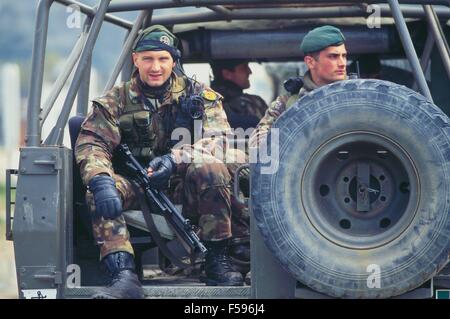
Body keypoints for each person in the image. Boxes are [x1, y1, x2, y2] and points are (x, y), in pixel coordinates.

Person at [75, 25, 249, 298]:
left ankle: (217, 261)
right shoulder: (115, 101)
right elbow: (92, 143)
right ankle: (122, 275)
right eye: (148, 59)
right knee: (99, 193)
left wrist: (174, 159)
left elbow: (220, 140)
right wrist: (100, 179)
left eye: (163, 59)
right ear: (136, 60)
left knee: (212, 169)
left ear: (173, 61)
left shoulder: (200, 96)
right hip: (137, 183)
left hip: (184, 184)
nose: (155, 67)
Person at [250, 25, 347, 147]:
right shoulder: (288, 103)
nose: (342, 63)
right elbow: (258, 144)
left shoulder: (361, 96)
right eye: (333, 56)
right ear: (310, 62)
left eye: (344, 56)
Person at [210, 59, 268, 130]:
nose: (249, 72)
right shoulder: (253, 102)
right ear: (227, 74)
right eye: (244, 68)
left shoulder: (205, 104)